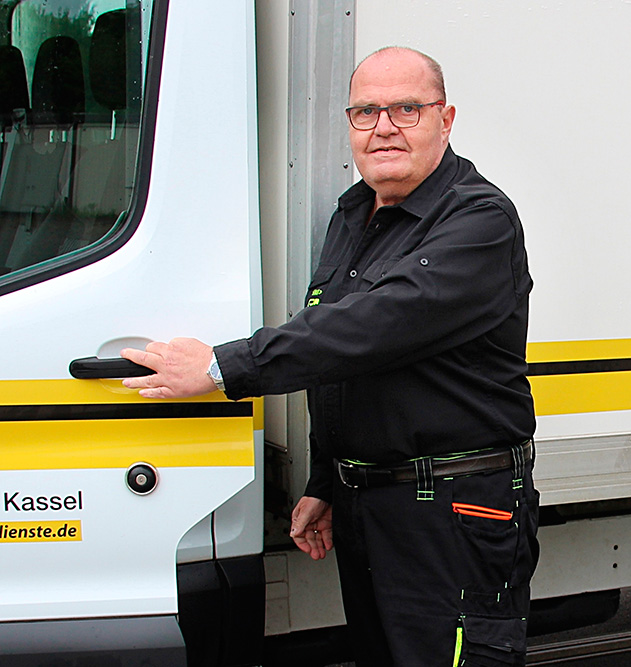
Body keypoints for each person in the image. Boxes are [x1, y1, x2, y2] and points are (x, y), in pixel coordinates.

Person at [121, 46, 539, 666]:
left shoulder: (480, 220)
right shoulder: (355, 213)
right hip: (370, 507)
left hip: (455, 514)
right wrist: (327, 480)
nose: (384, 127)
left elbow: (372, 328)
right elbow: (337, 361)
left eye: (406, 109)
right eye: (366, 111)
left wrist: (221, 367)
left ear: (445, 119)